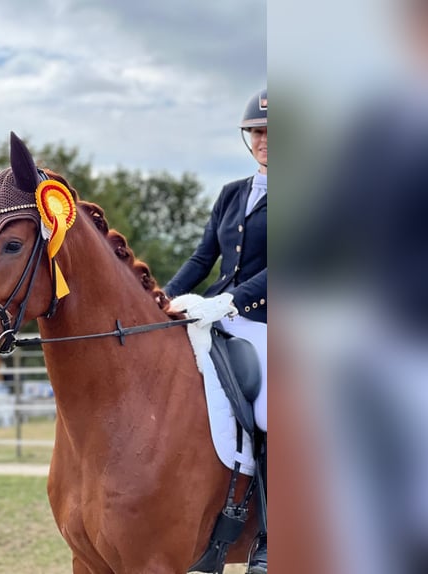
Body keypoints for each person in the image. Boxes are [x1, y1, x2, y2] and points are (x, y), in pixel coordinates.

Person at [164, 88, 268, 573]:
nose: (265, 142)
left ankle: (271, 535)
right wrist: (162, 299)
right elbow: (204, 257)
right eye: (257, 133)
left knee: (272, 409)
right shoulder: (232, 192)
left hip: (270, 321)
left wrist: (232, 299)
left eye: (274, 134)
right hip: (218, 316)